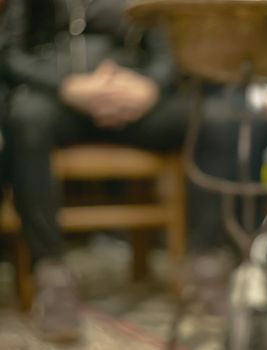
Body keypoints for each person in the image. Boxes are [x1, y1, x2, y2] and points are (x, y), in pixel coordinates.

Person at [4, 0, 186, 341]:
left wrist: (150, 87)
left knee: (207, 116)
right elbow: (10, 55)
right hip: (60, 100)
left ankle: (206, 265)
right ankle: (52, 275)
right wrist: (66, 86)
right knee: (24, 118)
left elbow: (169, 50)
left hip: (134, 100)